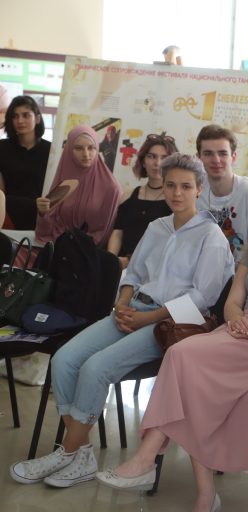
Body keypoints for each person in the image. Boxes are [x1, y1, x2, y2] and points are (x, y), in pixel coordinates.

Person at [95, 172, 248, 512]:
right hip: (238, 331)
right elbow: (233, 300)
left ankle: (152, 460)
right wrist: (236, 320)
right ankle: (196, 489)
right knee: (183, 360)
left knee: (183, 360)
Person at [9, 153, 234, 489]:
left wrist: (148, 318)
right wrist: (123, 304)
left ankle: (67, 450)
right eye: (171, 185)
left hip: (170, 324)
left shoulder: (211, 236)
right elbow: (134, 273)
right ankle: (81, 452)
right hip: (134, 309)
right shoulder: (156, 227)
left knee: (95, 368)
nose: (177, 193)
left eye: (186, 186)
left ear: (199, 189)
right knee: (64, 359)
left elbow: (202, 298)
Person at [34, 125, 122, 247]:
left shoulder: (111, 188)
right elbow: (46, 231)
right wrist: (43, 213)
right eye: (79, 148)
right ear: (69, 150)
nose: (86, 154)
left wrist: (74, 246)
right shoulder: (64, 179)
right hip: (58, 246)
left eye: (91, 148)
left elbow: (104, 234)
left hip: (89, 252)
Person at [196, 124, 248, 260]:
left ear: (233, 157)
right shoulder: (194, 190)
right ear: (199, 158)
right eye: (208, 154)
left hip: (240, 269)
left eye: (222, 153)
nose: (216, 160)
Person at [108, 133, 177, 269]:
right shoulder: (128, 195)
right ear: (143, 161)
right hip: (122, 267)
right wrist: (111, 261)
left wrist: (132, 261)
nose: (157, 163)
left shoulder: (176, 199)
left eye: (164, 158)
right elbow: (118, 233)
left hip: (156, 269)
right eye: (151, 156)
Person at [0, 95, 51, 229]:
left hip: (41, 217)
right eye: (15, 116)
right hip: (7, 217)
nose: (20, 120)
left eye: (26, 115)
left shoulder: (50, 150)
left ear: (38, 118)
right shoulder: (2, 148)